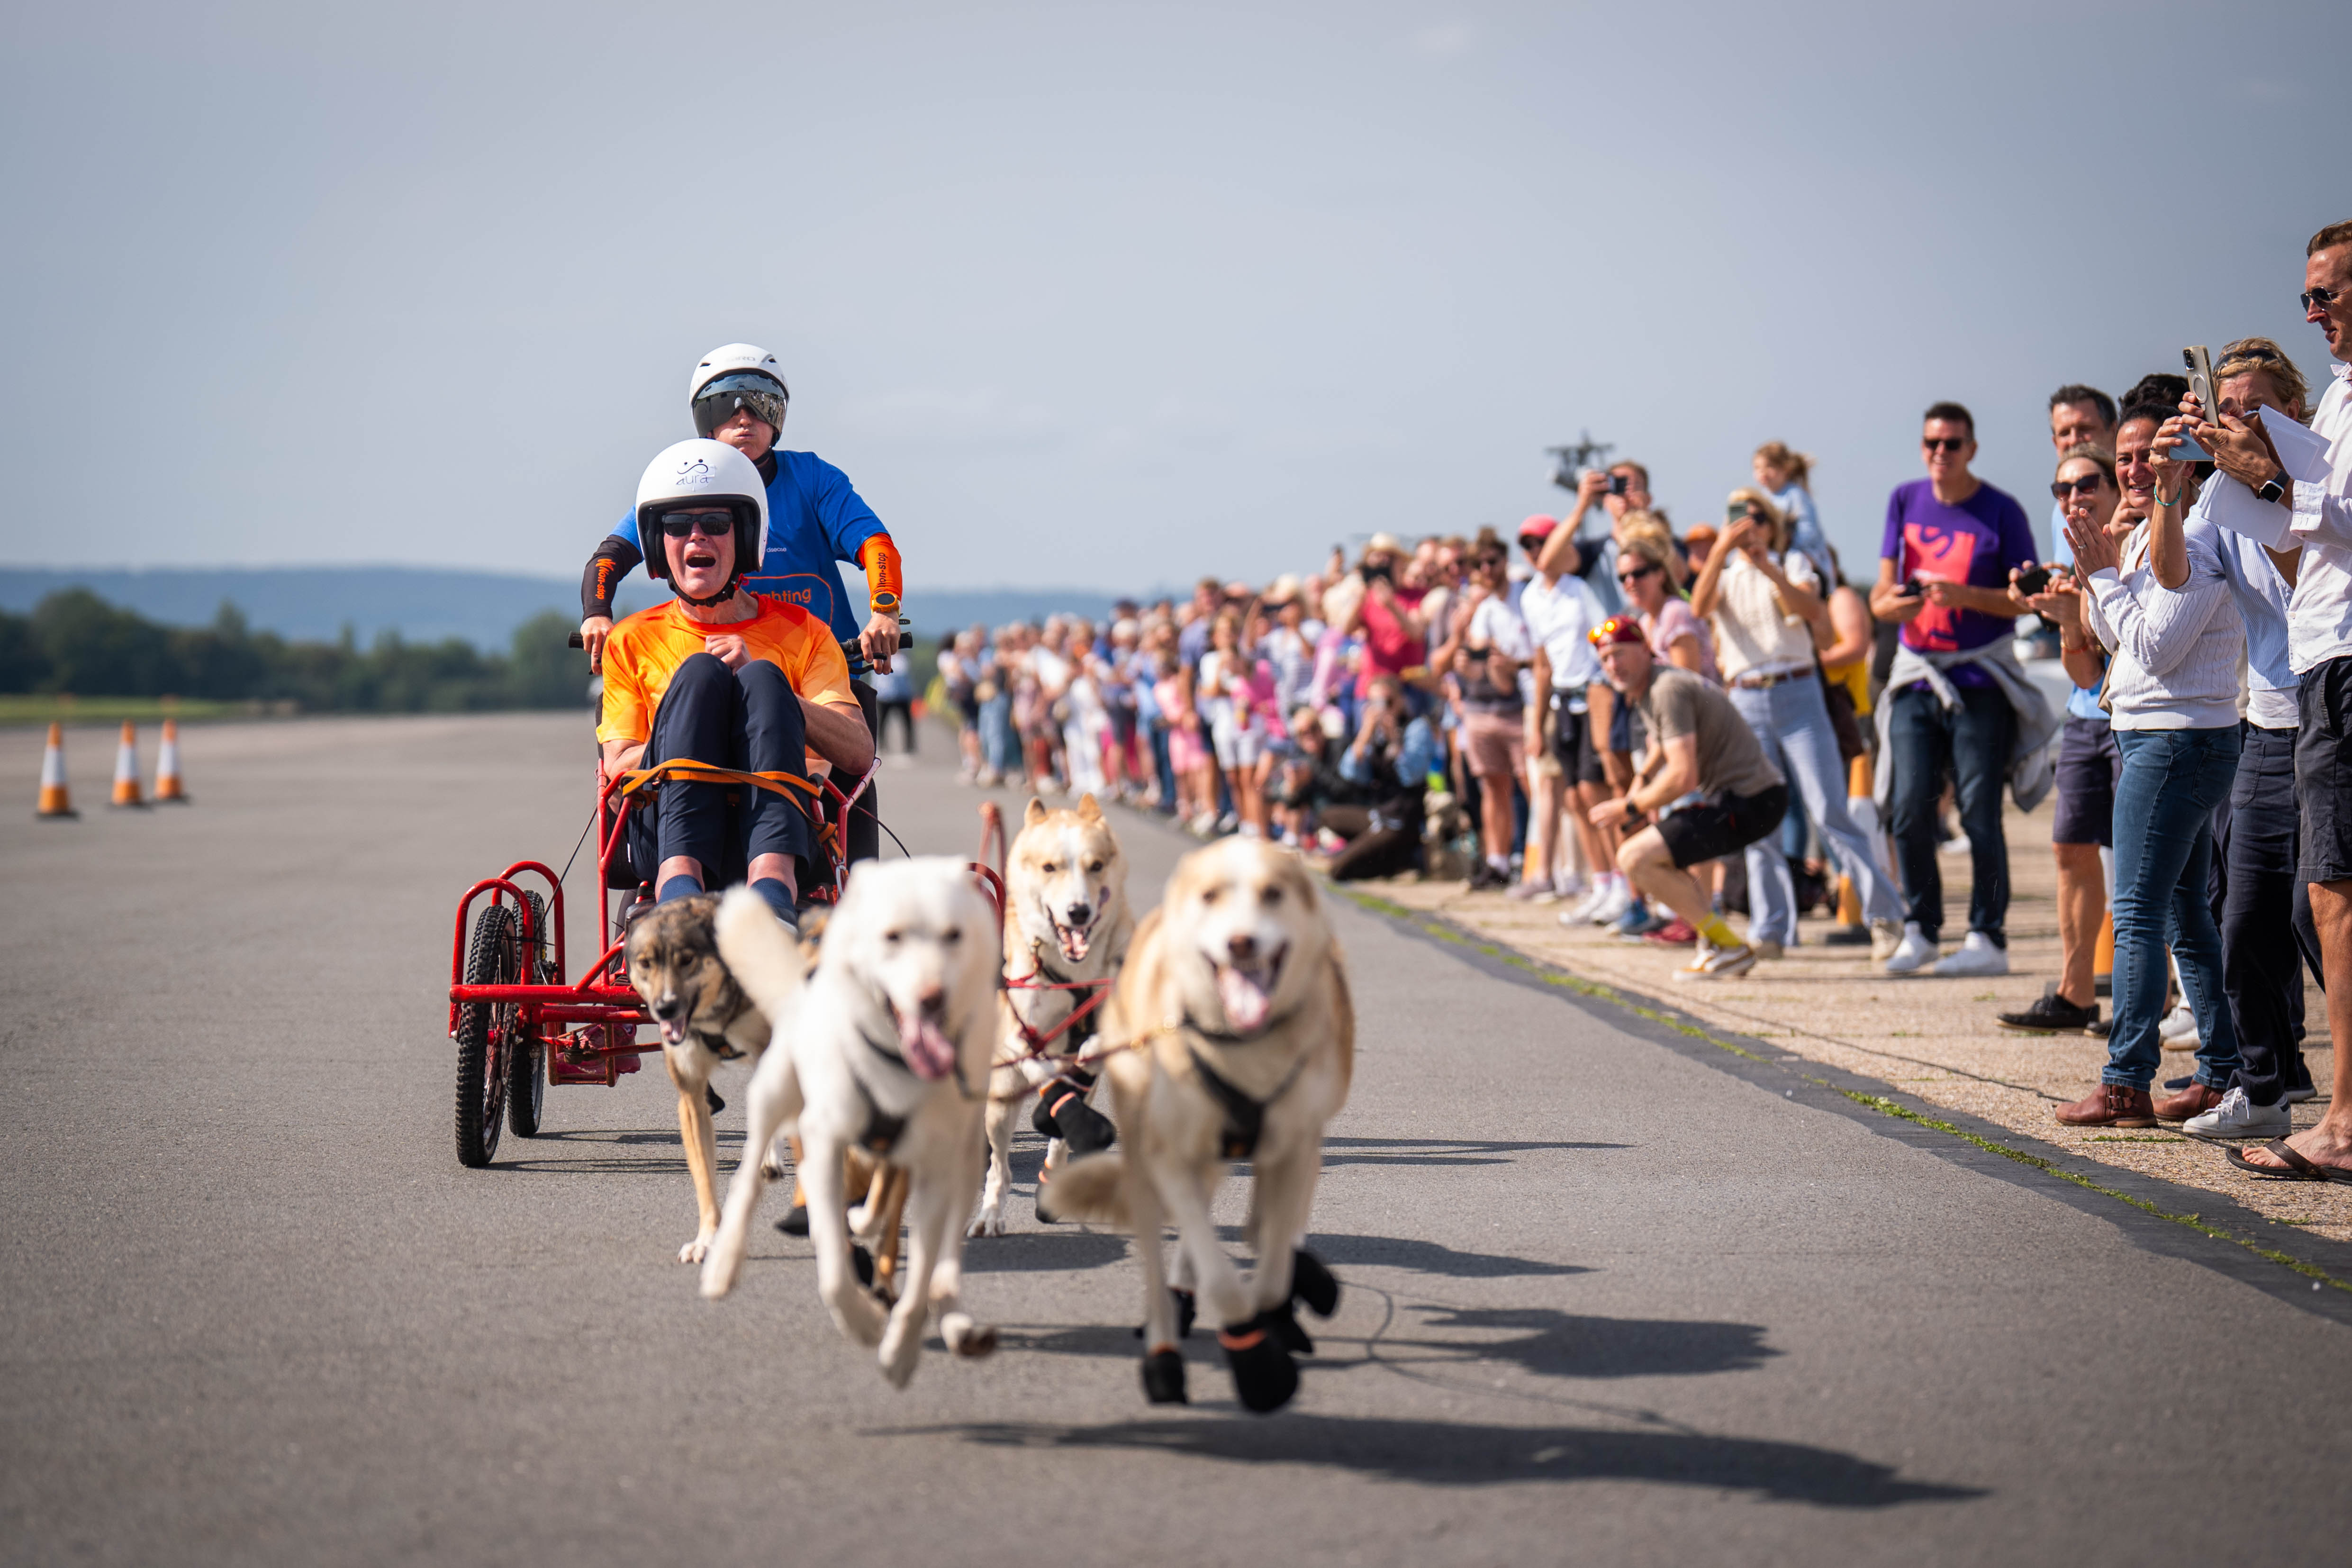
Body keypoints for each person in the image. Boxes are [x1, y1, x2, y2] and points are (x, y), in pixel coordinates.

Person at [578, 344, 899, 863]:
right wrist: (597, 614)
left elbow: (874, 544)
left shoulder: (814, 481)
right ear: (704, 420)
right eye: (725, 406)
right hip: (700, 665)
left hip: (814, 667)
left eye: (760, 405)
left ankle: (853, 885)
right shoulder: (689, 484)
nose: (744, 419)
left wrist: (884, 611)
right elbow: (611, 554)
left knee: (850, 776)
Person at [2192, 220, 2352, 1178]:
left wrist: (2264, 472)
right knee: (2308, 903)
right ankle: (2314, 1101)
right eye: (2307, 296)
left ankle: (2338, 1121)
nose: (2314, 309)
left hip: (2335, 663)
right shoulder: (2337, 400)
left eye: (2328, 292)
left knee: (2329, 898)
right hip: (2316, 665)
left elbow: (2332, 517)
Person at [2051, 414, 2247, 1129]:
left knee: (2134, 911)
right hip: (2157, 738)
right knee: (2181, 913)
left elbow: (2157, 647)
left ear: (2190, 461)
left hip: (2176, 742)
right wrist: (2096, 579)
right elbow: (2113, 642)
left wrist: (2104, 578)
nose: (2135, 469)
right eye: (2126, 457)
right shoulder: (2141, 536)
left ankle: (2126, 1081)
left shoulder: (2193, 537)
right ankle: (2222, 1071)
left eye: (2152, 456)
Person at [2149, 342, 2323, 1138]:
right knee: (2242, 912)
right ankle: (2261, 1087)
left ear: (2294, 409)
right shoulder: (2221, 498)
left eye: (2256, 406)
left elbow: (2304, 582)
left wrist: (2260, 477)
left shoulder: (2316, 483)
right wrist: (2167, 488)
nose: (2241, 420)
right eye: (2229, 408)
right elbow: (2176, 579)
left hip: (2328, 713)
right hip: (2266, 724)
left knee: (2312, 913)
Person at [595, 441, 873, 926]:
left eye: (715, 525)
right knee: (700, 675)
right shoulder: (632, 639)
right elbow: (618, 775)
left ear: (745, 538)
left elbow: (855, 752)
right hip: (663, 831)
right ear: (660, 545)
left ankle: (772, 887)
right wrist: (697, 724)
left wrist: (774, 699)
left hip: (783, 833)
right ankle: (679, 886)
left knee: (763, 675)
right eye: (678, 527)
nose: (696, 538)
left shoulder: (805, 632)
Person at [1870, 401, 2054, 978]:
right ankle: (1920, 929)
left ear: (1971, 448)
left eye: (1951, 444)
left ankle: (1986, 936)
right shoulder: (1903, 499)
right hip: (1916, 671)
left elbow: (2027, 598)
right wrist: (1895, 606)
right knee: (1906, 807)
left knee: (1977, 810)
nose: (1939, 454)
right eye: (1930, 443)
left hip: (1980, 674)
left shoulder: (2000, 510)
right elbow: (1879, 597)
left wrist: (1963, 596)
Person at [1689, 490, 1901, 960]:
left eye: (1757, 517)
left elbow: (1810, 611)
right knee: (1757, 819)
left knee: (1829, 809)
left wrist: (1766, 565)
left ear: (1774, 525)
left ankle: (1885, 916)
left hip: (1798, 690)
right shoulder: (1722, 573)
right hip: (1745, 695)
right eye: (1737, 518)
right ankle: (1770, 929)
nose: (1748, 526)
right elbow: (1698, 607)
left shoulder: (1793, 563)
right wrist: (1723, 550)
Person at [1996, 387, 2123, 1033]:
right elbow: (2081, 656)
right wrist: (2058, 608)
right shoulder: (2067, 508)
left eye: (2084, 431)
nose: (2072, 444)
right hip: (2084, 706)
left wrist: (2079, 618)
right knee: (2071, 847)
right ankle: (2076, 991)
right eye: (2061, 435)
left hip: (2132, 713)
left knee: (2132, 861)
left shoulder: (2131, 516)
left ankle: (2145, 998)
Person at [1585, 616, 1787, 980]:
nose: (1613, 665)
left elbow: (1683, 775)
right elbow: (1661, 746)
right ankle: (1715, 945)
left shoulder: (1667, 690)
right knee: (1669, 857)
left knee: (1636, 858)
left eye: (1620, 654)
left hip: (1751, 800)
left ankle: (1728, 946)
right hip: (1736, 799)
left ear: (1646, 649)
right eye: (1605, 660)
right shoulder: (1653, 686)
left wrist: (1629, 806)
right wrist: (1642, 780)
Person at [1516, 515, 1614, 906]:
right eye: (1528, 545)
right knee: (1574, 798)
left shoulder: (1580, 587)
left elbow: (1601, 632)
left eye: (1542, 542)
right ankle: (1603, 882)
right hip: (1561, 698)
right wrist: (1538, 725)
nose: (1536, 552)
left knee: (1595, 790)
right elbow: (1542, 664)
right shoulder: (1530, 597)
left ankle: (1619, 881)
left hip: (1592, 691)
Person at [1434, 533, 1530, 889]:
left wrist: (1500, 662)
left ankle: (1536, 862)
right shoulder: (1464, 609)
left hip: (1516, 710)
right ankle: (1498, 861)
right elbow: (1445, 665)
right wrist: (1460, 641)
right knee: (1492, 788)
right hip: (1477, 712)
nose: (1486, 571)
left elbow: (1507, 678)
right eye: (1479, 565)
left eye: (1492, 562)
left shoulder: (1514, 601)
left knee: (1532, 786)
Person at [1331, 675, 1441, 881]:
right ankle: (1389, 861)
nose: (1382, 709)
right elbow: (1350, 774)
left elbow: (1412, 777)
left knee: (1337, 869)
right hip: (1379, 815)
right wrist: (1365, 734)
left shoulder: (1416, 728)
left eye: (1387, 702)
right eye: (1374, 703)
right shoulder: (1373, 735)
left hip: (1403, 822)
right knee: (1328, 816)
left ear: (1400, 700)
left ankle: (1395, 861)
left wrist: (1395, 741)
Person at [1751, 441, 1835, 582]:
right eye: (1757, 468)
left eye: (1770, 466)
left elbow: (1807, 528)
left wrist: (1794, 548)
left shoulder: (1795, 495)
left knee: (1795, 561)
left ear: (1786, 469)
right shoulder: (1761, 498)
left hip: (1805, 552)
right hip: (1777, 553)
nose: (1763, 472)